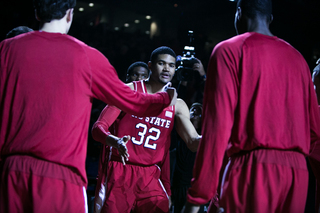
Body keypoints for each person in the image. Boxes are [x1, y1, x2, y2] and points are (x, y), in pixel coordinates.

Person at [0, 0, 177, 212]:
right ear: (69, 14)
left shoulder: (7, 49)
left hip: (10, 170)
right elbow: (134, 101)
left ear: (37, 13)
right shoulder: (87, 56)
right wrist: (165, 97)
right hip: (61, 176)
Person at [183, 0, 320, 213]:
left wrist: (198, 197)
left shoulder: (229, 50)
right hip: (297, 174)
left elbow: (217, 129)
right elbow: (315, 133)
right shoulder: (298, 58)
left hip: (253, 168)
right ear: (270, 18)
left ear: (239, 13)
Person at [91, 46, 201, 213]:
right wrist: (115, 141)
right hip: (120, 170)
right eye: (161, 63)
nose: (166, 69)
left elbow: (193, 142)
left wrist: (217, 136)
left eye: (171, 65)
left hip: (151, 175)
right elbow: (98, 128)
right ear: (150, 65)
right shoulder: (129, 91)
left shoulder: (177, 105)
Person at [171, 103, 209, 213]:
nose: (195, 112)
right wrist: (183, 84)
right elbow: (177, 109)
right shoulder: (180, 133)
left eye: (199, 111)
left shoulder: (205, 136)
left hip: (195, 185)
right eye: (193, 109)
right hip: (178, 185)